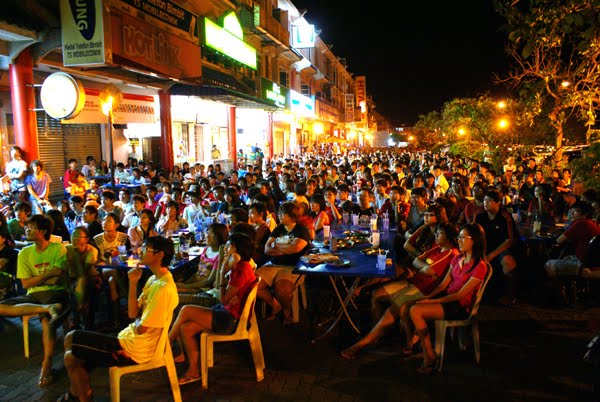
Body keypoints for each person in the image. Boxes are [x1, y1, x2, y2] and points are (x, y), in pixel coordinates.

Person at [61, 236, 179, 402]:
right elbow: (132, 314)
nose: (140, 251)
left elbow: (141, 328)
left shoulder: (164, 288)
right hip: (128, 338)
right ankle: (80, 395)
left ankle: (78, 396)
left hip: (135, 350)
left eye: (146, 248)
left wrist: (139, 317)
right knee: (71, 349)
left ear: (159, 255)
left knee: (71, 351)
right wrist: (132, 283)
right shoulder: (154, 279)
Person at [341, 223, 459, 359]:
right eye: (436, 233)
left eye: (440, 234)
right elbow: (416, 262)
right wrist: (422, 267)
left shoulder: (450, 253)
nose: (436, 236)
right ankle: (378, 334)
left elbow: (429, 270)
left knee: (394, 308)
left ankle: (363, 343)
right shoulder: (436, 249)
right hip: (414, 281)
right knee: (376, 295)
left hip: (424, 289)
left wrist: (422, 267)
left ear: (449, 237)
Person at [169, 232, 256, 385]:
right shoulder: (240, 266)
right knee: (186, 328)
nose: (226, 248)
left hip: (230, 320)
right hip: (227, 312)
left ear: (238, 250)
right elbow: (226, 298)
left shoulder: (241, 270)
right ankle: (193, 371)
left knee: (186, 310)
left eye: (230, 246)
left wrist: (222, 270)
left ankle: (166, 344)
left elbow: (223, 299)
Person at [409, 223, 489, 374]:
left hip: (460, 306)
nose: (458, 240)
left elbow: (460, 295)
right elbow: (443, 284)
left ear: (475, 240)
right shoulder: (458, 258)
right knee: (415, 306)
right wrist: (428, 297)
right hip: (448, 298)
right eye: (458, 237)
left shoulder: (480, 266)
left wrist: (431, 302)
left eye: (462, 237)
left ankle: (428, 356)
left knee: (416, 311)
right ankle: (425, 350)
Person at [0, 214, 68, 387]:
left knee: (46, 321)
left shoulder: (57, 248)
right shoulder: (24, 253)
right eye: (27, 227)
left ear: (43, 231)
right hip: (33, 295)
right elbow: (26, 283)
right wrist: (48, 274)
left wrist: (42, 278)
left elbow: (58, 279)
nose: (26, 230)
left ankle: (47, 363)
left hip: (55, 292)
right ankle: (46, 308)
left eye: (31, 228)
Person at [256, 202, 311, 323]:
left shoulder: (301, 230)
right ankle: (275, 304)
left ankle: (287, 310)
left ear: (292, 215)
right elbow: (267, 249)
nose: (280, 216)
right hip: (273, 264)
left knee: (281, 289)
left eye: (283, 213)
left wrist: (276, 246)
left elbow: (296, 249)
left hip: (292, 266)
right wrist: (285, 250)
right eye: (279, 213)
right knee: (252, 284)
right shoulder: (278, 229)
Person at [475, 190, 518, 303]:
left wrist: (492, 254)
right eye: (484, 200)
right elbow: (475, 235)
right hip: (484, 247)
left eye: (489, 201)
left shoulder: (505, 217)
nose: (486, 203)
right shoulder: (480, 216)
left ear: (498, 202)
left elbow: (509, 240)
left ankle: (510, 296)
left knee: (508, 262)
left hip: (501, 248)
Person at [175, 223, 228, 307]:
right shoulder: (206, 249)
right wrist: (186, 282)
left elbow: (209, 281)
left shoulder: (219, 256)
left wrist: (186, 285)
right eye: (207, 233)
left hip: (203, 289)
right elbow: (198, 273)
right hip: (195, 283)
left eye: (212, 234)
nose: (207, 236)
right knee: (171, 288)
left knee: (174, 294)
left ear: (220, 237)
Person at [65, 227, 99, 329]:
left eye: (79, 236)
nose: (75, 239)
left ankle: (80, 320)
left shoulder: (91, 250)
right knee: (74, 288)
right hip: (71, 279)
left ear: (86, 239)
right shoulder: (66, 249)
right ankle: (79, 316)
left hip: (89, 278)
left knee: (84, 286)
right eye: (73, 235)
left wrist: (76, 253)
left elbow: (83, 271)